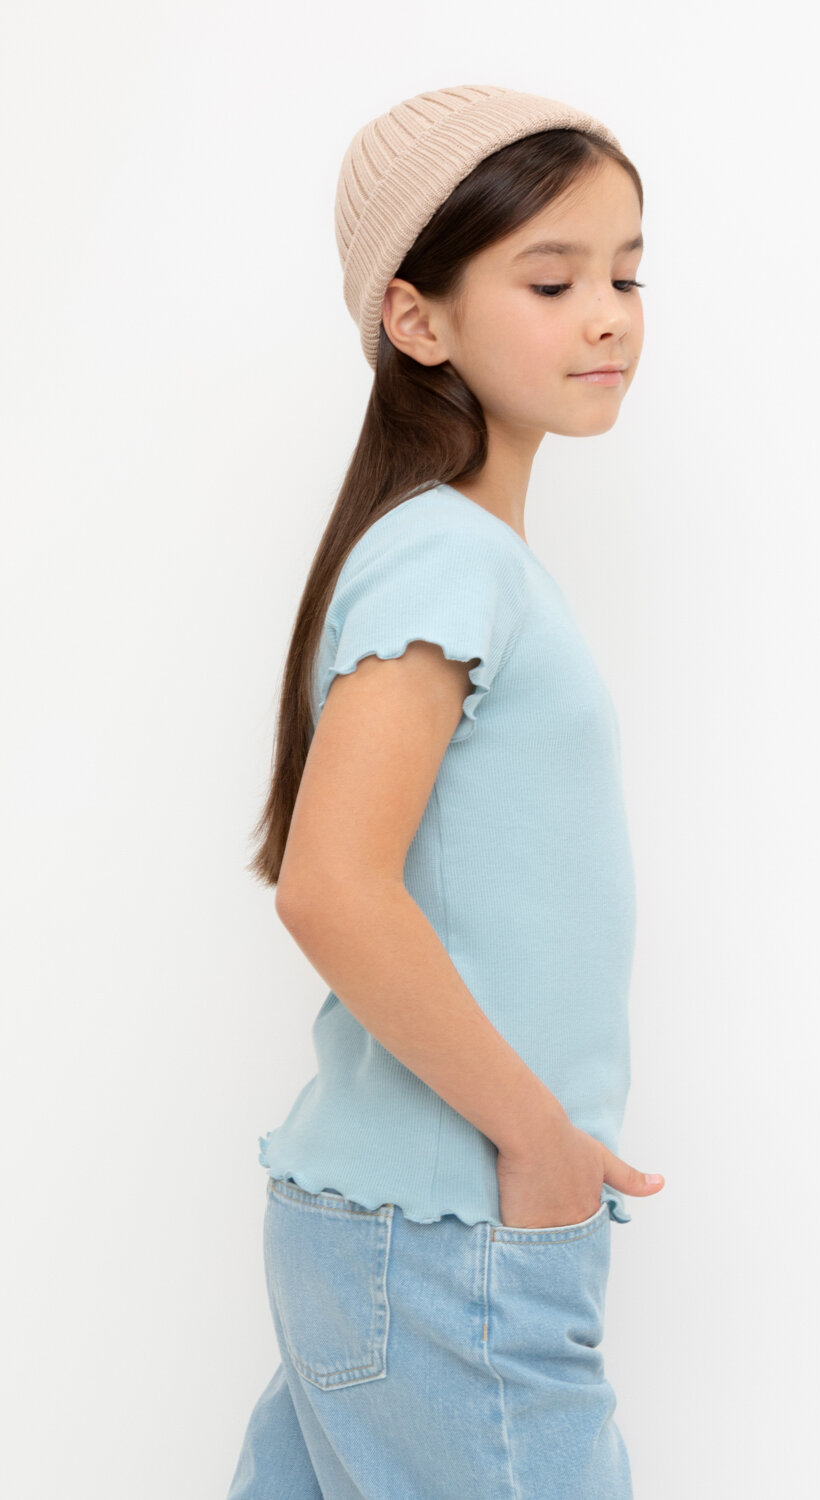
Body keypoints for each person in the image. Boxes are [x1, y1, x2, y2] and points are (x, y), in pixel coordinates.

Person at [226, 82, 664, 1500]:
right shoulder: (448, 557)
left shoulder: (457, 555)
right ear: (417, 321)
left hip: (399, 1226)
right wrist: (537, 1143)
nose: (607, 316)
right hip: (448, 1233)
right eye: (551, 280)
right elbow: (331, 889)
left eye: (625, 275)